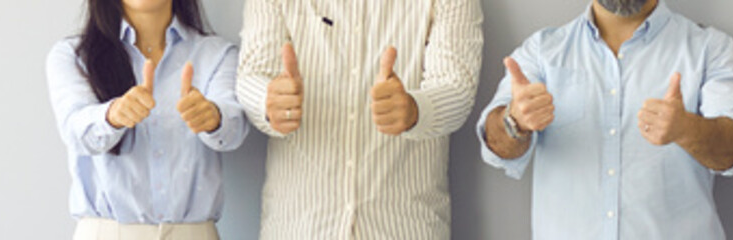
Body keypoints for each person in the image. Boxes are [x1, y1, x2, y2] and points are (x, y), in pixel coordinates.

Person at [475, 0, 733, 239]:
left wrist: (687, 130)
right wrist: (515, 122)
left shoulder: (711, 48)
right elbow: (495, 148)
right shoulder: (541, 50)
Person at [235, 0, 482, 238]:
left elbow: (457, 87)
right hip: (299, 225)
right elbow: (252, 76)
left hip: (405, 225)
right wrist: (269, 103)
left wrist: (415, 110)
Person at [45, 0, 244, 239]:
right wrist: (113, 115)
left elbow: (233, 130)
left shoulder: (218, 54)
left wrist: (213, 118)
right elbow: (76, 132)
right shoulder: (73, 55)